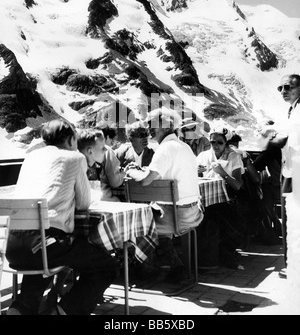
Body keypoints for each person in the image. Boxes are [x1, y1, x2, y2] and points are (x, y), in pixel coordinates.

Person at [5, 119, 118, 315]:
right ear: (71, 139)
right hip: (46, 244)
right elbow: (83, 204)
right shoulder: (74, 158)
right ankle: (62, 311)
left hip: (13, 245)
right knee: (106, 266)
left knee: (43, 264)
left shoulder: (31, 157)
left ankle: (20, 308)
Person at [125, 107, 204, 282]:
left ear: (165, 125)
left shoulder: (165, 148)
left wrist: (131, 171)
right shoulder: (184, 146)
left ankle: (146, 269)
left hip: (174, 217)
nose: (148, 128)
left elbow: (146, 181)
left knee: (135, 222)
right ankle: (177, 267)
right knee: (155, 218)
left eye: (151, 123)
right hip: (192, 214)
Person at [196, 127, 245, 268]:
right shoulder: (203, 156)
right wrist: (196, 171)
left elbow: (237, 185)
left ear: (226, 143)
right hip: (205, 195)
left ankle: (218, 254)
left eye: (220, 142)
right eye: (213, 142)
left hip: (227, 196)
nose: (216, 145)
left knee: (216, 214)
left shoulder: (233, 157)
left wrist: (222, 172)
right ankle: (204, 255)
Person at [275, 74, 300, 278]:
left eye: (288, 87)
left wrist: (269, 131)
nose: (283, 91)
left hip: (296, 173)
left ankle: (294, 266)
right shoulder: (292, 110)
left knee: (294, 219)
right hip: (290, 171)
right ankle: (291, 264)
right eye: (280, 88)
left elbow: (291, 130)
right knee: (289, 219)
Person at [252, 121, 282, 245]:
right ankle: (278, 228)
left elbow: (257, 166)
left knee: (259, 199)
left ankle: (270, 235)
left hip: (280, 187)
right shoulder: (281, 146)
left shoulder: (270, 150)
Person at [77, 128, 125, 203]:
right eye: (103, 147)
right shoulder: (78, 169)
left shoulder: (96, 166)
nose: (106, 150)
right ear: (90, 151)